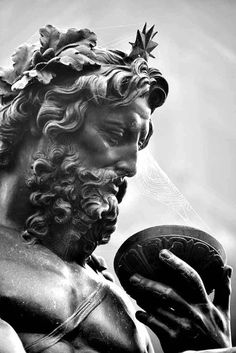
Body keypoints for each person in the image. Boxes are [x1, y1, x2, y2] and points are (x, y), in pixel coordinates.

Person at [0, 23, 234, 353]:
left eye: (139, 145)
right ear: (47, 124)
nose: (132, 167)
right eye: (113, 136)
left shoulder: (115, 296)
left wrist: (211, 347)